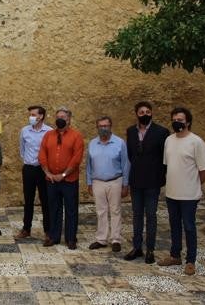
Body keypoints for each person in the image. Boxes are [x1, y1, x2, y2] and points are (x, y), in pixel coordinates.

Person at [158, 107, 205, 276]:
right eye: (174, 119)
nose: (177, 122)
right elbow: (168, 164)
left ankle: (190, 261)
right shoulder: (169, 140)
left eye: (180, 119)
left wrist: (194, 184)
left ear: (187, 122)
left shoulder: (196, 142)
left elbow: (204, 169)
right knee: (174, 225)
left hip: (189, 194)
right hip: (172, 192)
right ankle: (175, 255)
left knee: (189, 226)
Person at [124, 101, 169, 264]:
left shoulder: (161, 132)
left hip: (153, 181)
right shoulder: (130, 131)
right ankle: (137, 247)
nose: (145, 114)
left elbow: (165, 157)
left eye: (147, 112)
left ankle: (150, 249)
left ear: (152, 113)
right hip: (136, 180)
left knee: (151, 215)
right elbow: (130, 155)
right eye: (141, 112)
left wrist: (160, 175)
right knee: (136, 215)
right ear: (136, 114)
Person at [39, 107, 84, 249]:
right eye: (58, 116)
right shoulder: (48, 135)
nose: (60, 119)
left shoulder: (76, 136)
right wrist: (48, 173)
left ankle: (71, 238)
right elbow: (42, 155)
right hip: (51, 180)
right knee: (53, 208)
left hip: (69, 181)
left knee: (71, 209)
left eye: (63, 117)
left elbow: (76, 159)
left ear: (69, 119)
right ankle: (53, 236)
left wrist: (63, 174)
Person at [86, 116, 130, 253]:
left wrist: (125, 184)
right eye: (100, 126)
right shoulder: (92, 143)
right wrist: (89, 182)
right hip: (98, 181)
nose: (103, 128)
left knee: (115, 210)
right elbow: (89, 165)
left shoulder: (119, 143)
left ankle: (116, 239)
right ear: (97, 128)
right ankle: (101, 239)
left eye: (106, 126)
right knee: (101, 211)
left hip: (115, 180)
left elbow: (126, 164)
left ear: (110, 126)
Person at [15, 106, 52, 239]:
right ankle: (26, 229)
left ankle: (48, 230)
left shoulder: (49, 131)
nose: (30, 117)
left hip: (43, 170)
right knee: (28, 200)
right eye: (30, 114)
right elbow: (22, 149)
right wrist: (27, 161)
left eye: (33, 114)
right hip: (29, 169)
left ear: (41, 116)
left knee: (45, 200)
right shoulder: (25, 131)